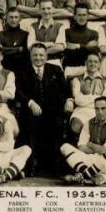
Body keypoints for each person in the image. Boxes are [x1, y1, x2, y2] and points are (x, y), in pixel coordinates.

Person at [16, 43, 71, 176]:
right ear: (30, 56)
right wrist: (30, 102)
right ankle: (31, 165)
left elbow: (66, 89)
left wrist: (69, 100)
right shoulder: (23, 70)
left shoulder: (56, 69)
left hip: (52, 111)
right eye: (35, 55)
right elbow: (18, 91)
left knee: (57, 125)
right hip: (31, 111)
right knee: (30, 126)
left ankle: (53, 166)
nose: (38, 58)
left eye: (41, 55)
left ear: (46, 56)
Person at [60, 96, 106, 185]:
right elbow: (81, 147)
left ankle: (81, 176)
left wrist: (90, 144)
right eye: (97, 109)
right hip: (92, 159)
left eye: (103, 108)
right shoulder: (89, 123)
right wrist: (98, 150)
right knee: (65, 147)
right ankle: (90, 175)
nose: (100, 112)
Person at [69, 53, 106, 139]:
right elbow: (78, 100)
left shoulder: (105, 80)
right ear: (86, 63)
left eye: (95, 62)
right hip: (81, 111)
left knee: (98, 130)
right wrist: (96, 97)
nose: (93, 64)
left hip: (99, 111)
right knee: (76, 127)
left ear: (99, 64)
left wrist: (86, 98)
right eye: (90, 61)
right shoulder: (77, 79)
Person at [63, 3, 100, 79]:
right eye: (79, 15)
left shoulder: (94, 33)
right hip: (70, 68)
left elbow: (94, 52)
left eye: (84, 15)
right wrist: (85, 46)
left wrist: (76, 46)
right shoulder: (66, 32)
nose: (82, 17)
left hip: (87, 69)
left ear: (88, 16)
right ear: (74, 16)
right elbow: (67, 48)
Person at [28, 0, 67, 67]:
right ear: (39, 10)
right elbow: (30, 46)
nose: (46, 11)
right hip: (37, 62)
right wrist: (50, 44)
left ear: (53, 9)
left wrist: (39, 49)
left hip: (54, 61)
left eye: (49, 8)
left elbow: (60, 47)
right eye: (43, 9)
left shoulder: (60, 26)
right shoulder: (33, 26)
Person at [0, 7, 31, 74]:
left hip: (22, 69)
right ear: (6, 19)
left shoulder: (26, 35)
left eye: (16, 17)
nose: (13, 20)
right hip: (4, 69)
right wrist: (18, 49)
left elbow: (26, 52)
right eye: (11, 17)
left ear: (20, 19)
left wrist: (4, 49)